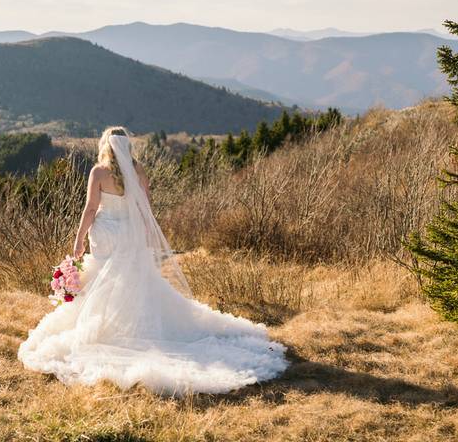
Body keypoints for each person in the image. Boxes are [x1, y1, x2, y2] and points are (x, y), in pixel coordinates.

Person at [18, 126, 288, 396]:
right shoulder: (139, 170)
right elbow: (145, 207)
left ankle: (104, 330)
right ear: (126, 147)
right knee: (134, 281)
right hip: (129, 232)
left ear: (106, 146)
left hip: (105, 233)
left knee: (103, 279)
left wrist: (78, 239)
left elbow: (90, 208)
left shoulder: (99, 172)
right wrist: (145, 235)